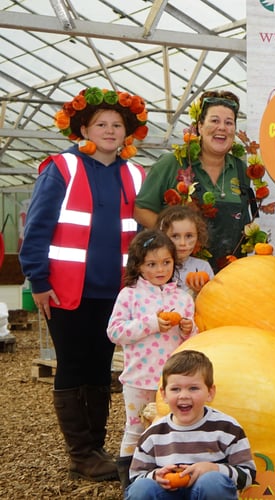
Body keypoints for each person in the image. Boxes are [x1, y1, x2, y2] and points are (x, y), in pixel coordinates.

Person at [19, 86, 148, 482]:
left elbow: (142, 233)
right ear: (84, 129)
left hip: (115, 292)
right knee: (73, 365)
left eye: (117, 125)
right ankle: (81, 453)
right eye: (101, 124)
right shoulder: (63, 167)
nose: (109, 131)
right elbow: (37, 227)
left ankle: (95, 448)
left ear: (127, 132)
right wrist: (38, 280)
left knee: (99, 366)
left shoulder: (135, 173)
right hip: (67, 289)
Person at [107, 229, 198, 489]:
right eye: (152, 264)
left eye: (166, 263)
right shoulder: (129, 295)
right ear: (138, 265)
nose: (160, 269)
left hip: (172, 383)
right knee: (135, 429)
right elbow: (115, 332)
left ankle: (168, 481)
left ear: (174, 262)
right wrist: (151, 324)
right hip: (138, 379)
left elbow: (194, 343)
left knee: (171, 430)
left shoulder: (182, 298)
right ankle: (130, 482)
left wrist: (188, 330)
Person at [134, 90, 257, 272]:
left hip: (230, 278)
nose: (222, 127)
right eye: (214, 121)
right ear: (199, 126)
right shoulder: (173, 163)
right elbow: (141, 210)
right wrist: (174, 239)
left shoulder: (243, 171)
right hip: (178, 273)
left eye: (229, 123)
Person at [126, 350, 256, 499]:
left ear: (210, 392)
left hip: (207, 493)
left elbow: (248, 475)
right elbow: (136, 477)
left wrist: (214, 469)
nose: (184, 395)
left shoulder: (227, 428)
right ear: (163, 394)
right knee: (141, 489)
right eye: (175, 389)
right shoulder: (153, 434)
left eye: (193, 388)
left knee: (212, 482)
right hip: (167, 495)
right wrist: (155, 476)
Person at [156, 205, 214, 295]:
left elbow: (211, 301)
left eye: (189, 236)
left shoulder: (203, 267)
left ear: (198, 236)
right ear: (162, 236)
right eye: (175, 236)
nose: (182, 243)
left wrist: (199, 292)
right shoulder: (154, 266)